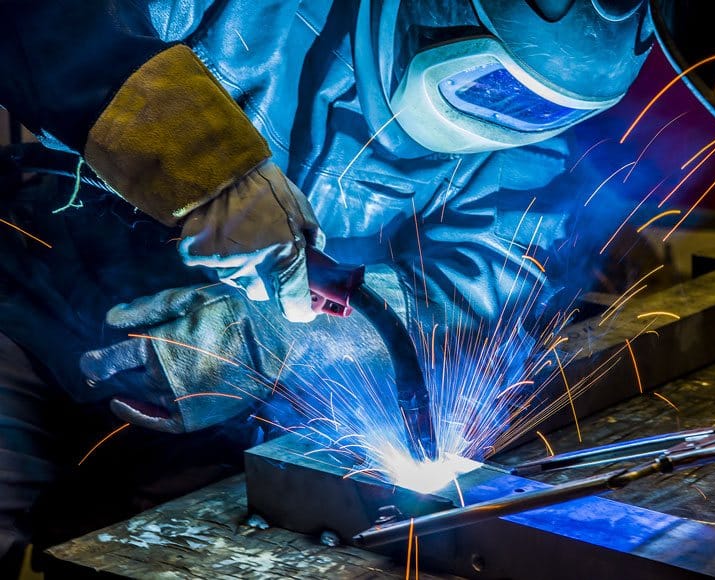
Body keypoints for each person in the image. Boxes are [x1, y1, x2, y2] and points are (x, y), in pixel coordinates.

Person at [0, 0, 654, 574]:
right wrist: (213, 172)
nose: (516, 119)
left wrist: (267, 344)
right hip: (34, 291)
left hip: (212, 398)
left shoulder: (541, 152)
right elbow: (49, 22)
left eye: (549, 109)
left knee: (138, 544)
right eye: (491, 84)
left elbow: (476, 294)